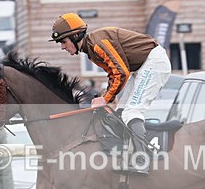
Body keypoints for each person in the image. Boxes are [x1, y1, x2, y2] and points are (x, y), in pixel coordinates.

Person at [50, 13, 171, 172]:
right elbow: (114, 74)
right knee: (121, 112)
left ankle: (142, 160)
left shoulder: (98, 44)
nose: (62, 47)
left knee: (132, 111)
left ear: (75, 36)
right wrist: (104, 97)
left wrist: (105, 99)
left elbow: (121, 73)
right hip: (141, 67)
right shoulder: (90, 49)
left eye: (64, 42)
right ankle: (127, 154)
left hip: (153, 63)